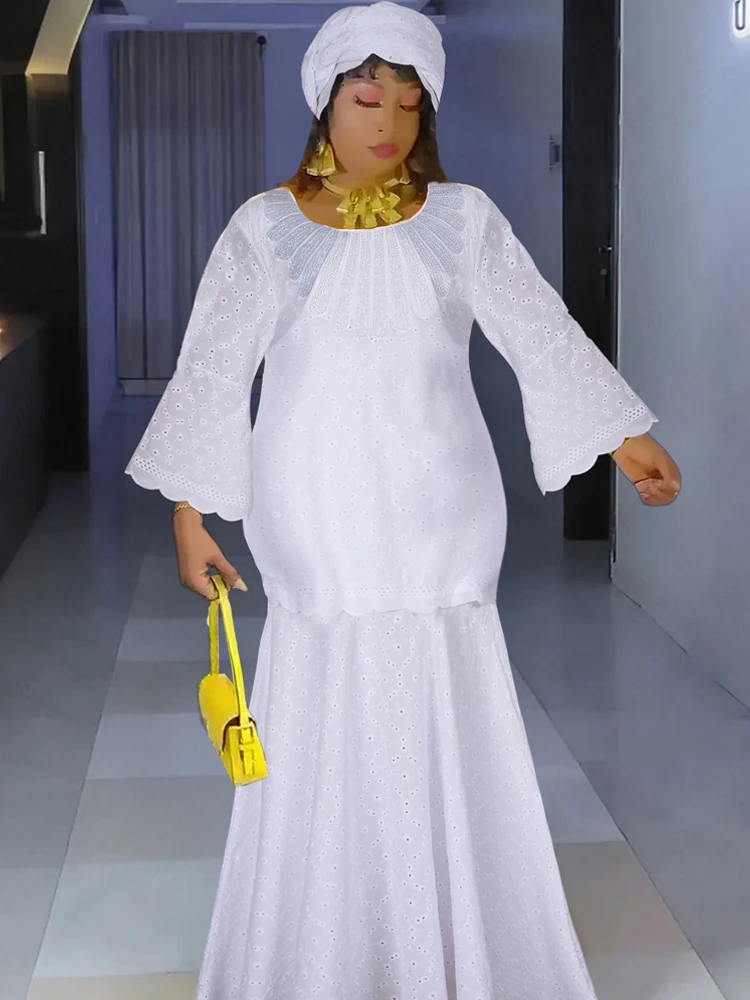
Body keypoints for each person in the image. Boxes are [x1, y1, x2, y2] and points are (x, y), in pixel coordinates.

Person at [126, 3, 681, 997]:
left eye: (409, 102)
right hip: (313, 510)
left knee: (439, 694)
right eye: (366, 96)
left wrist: (621, 434)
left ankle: (450, 947)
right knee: (324, 699)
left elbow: (537, 328)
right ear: (326, 102)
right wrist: (188, 510)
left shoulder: (464, 221)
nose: (387, 121)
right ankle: (327, 952)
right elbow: (213, 370)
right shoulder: (263, 229)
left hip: (441, 507)